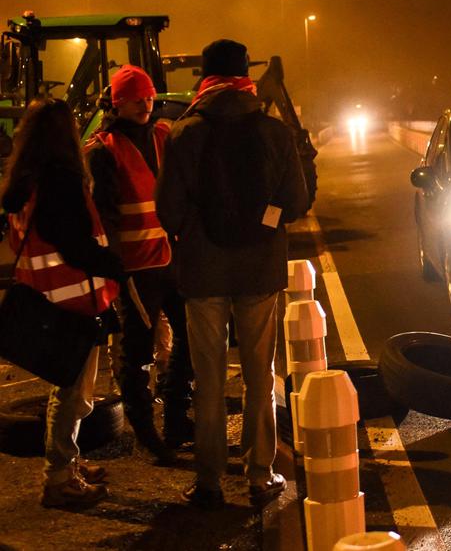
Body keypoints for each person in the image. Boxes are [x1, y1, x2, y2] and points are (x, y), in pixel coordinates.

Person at [156, 39, 309, 510]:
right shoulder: (274, 131)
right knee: (260, 374)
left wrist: (200, 232)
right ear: (245, 76)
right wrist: (262, 223)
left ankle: (209, 482)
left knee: (209, 378)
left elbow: (168, 210)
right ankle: (260, 476)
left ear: (203, 78)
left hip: (203, 273)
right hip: (260, 270)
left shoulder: (185, 133)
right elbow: (297, 202)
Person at [2, 99, 125, 508]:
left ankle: (68, 460)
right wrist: (112, 264)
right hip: (73, 301)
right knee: (74, 394)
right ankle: (59, 478)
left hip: (44, 297)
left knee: (67, 389)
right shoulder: (61, 180)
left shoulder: (24, 180)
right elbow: (73, 244)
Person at [86, 65, 193, 465]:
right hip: (136, 269)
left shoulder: (166, 135)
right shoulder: (103, 150)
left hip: (172, 260)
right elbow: (104, 216)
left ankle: (178, 420)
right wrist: (116, 272)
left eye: (149, 96)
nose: (146, 103)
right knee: (137, 354)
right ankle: (148, 435)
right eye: (136, 98)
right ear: (118, 102)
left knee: (191, 340)